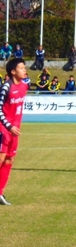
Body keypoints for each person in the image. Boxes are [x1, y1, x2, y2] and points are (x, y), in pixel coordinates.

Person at [0, 58, 29, 205]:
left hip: (15, 131)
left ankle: (0, 193)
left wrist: (14, 127)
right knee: (0, 159)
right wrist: (8, 126)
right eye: (21, 68)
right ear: (12, 72)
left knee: (10, 160)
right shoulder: (6, 87)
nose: (24, 70)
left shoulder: (24, 86)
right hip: (3, 129)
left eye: (24, 67)